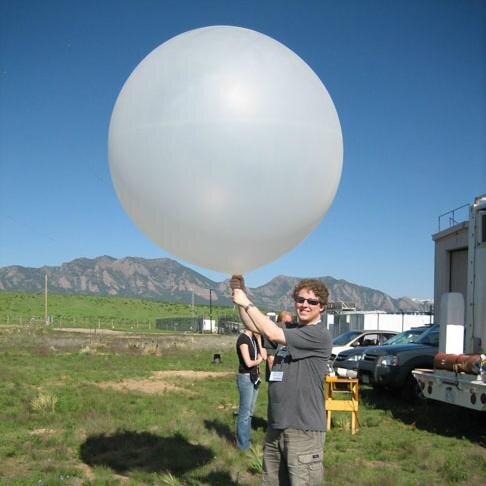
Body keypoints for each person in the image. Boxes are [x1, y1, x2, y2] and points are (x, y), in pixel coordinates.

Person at [231, 275, 332, 485]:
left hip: (303, 430)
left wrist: (246, 302)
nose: (304, 305)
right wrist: (241, 295)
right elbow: (254, 325)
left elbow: (273, 333)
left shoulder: (318, 334)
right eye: (300, 299)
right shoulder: (292, 329)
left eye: (312, 301)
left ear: (322, 307)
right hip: (277, 425)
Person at [235, 328, 266, 449]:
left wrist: (258, 339)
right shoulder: (243, 339)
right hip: (246, 378)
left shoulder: (253, 339)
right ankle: (242, 445)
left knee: (250, 411)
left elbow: (263, 354)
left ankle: (246, 440)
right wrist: (258, 360)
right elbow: (248, 363)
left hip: (254, 377)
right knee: (245, 412)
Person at [263, 311, 294, 381]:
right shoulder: (272, 335)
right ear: (278, 322)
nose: (287, 325)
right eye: (285, 323)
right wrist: (275, 380)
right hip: (276, 376)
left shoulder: (290, 335)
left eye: (290, 323)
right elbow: (271, 359)